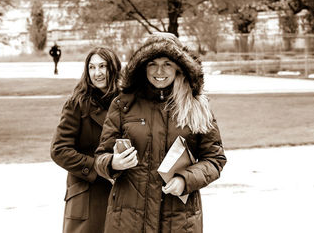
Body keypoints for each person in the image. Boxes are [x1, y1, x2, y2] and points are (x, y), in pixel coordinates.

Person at [94, 32, 226, 233]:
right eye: (152, 64)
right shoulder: (123, 104)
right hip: (127, 220)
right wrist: (113, 163)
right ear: (142, 66)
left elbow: (215, 159)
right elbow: (100, 157)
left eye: (167, 64)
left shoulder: (197, 105)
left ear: (179, 68)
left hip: (179, 221)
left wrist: (185, 180)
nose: (159, 71)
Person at [51, 47, 122, 233]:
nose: (97, 73)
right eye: (91, 67)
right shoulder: (77, 103)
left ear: (113, 68)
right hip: (87, 193)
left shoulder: (128, 103)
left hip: (122, 195)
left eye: (102, 66)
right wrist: (100, 168)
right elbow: (59, 150)